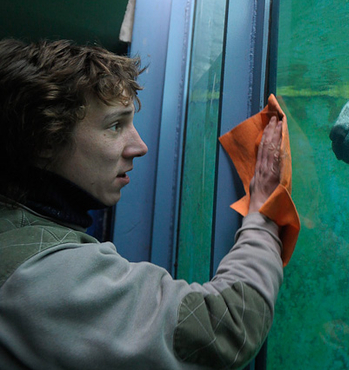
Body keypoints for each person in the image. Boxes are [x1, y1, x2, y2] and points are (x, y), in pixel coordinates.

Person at [0, 38, 285, 369]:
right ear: (44, 140)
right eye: (115, 125)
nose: (140, 145)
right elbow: (223, 326)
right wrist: (262, 213)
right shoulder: (40, 275)